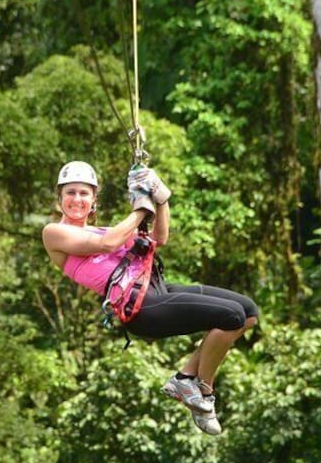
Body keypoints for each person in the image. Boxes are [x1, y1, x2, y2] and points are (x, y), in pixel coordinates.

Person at [42, 161, 259, 435]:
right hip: (141, 308)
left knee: (248, 313)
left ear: (94, 200)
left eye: (83, 193)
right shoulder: (54, 233)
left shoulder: (104, 229)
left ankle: (185, 379)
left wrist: (161, 198)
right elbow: (108, 244)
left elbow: (160, 237)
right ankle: (203, 388)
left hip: (157, 288)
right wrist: (141, 207)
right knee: (232, 317)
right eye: (70, 193)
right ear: (59, 198)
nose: (76, 199)